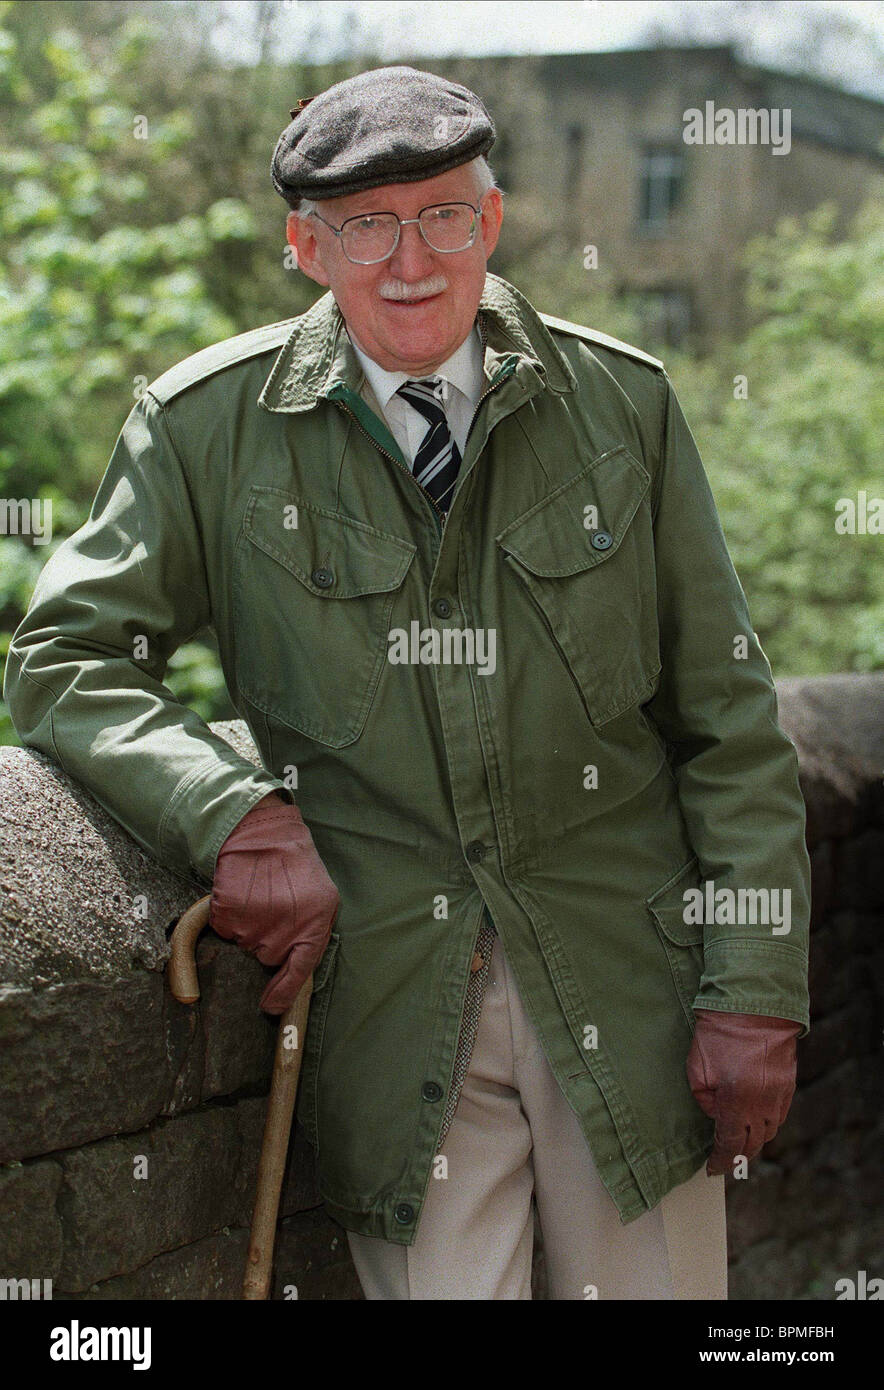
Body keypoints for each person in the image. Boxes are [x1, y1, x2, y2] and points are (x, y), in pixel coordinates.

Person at [4, 65, 811, 1300]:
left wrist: (753, 990)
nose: (410, 260)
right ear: (304, 248)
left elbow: (728, 723)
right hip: (395, 1011)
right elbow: (64, 655)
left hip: (632, 995)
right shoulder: (204, 426)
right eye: (365, 226)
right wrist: (228, 813)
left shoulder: (624, 407)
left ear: (490, 220)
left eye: (441, 213)